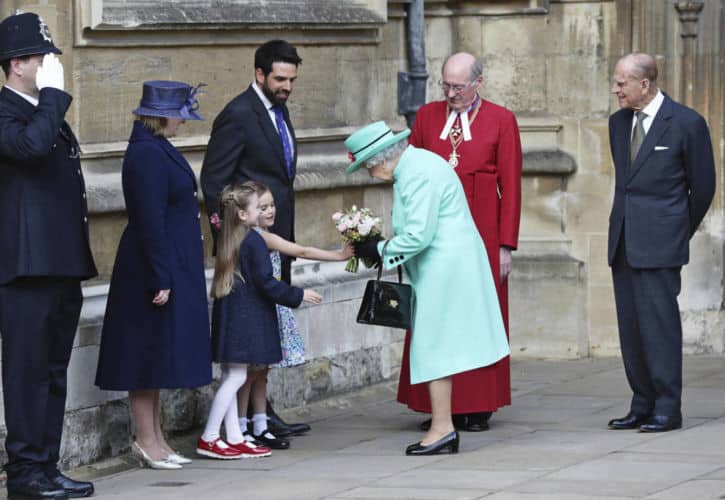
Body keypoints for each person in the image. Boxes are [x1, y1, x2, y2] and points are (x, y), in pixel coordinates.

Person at [346, 121, 510, 455]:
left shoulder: (416, 173)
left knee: (433, 346)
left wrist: (377, 250)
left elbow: (418, 235)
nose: (369, 172)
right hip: (446, 265)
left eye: (367, 165)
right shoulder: (417, 164)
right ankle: (442, 425)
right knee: (436, 346)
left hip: (444, 267)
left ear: (382, 158)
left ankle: (442, 429)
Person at [396, 52, 522, 432]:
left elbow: (511, 187)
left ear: (477, 83)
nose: (450, 93)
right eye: (445, 85)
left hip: (482, 232)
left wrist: (505, 246)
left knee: (477, 316)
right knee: (433, 316)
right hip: (434, 233)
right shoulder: (427, 117)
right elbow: (410, 174)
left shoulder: (502, 120)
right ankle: (437, 410)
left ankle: (478, 403)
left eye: (458, 86)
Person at [0, 12, 97, 499]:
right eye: (43, 58)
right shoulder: (9, 113)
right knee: (26, 375)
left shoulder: (43, 112)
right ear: (17, 64)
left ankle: (46, 466)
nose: (51, 67)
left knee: (53, 373)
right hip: (25, 271)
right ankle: (23, 475)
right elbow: (30, 150)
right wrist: (55, 100)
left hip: (59, 266)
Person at [95, 81, 213, 469]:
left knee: (156, 355)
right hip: (149, 267)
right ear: (162, 114)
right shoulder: (146, 154)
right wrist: (160, 276)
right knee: (144, 357)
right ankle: (146, 441)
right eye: (179, 113)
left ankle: (157, 439)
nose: (182, 121)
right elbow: (149, 221)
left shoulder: (157, 147)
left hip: (166, 263)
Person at [201, 39, 310, 436]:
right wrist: (233, 241)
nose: (287, 87)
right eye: (280, 79)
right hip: (249, 250)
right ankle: (243, 423)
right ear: (260, 74)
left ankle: (263, 416)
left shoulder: (276, 110)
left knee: (271, 330)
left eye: (292, 79)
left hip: (278, 238)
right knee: (252, 334)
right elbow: (214, 183)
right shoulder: (238, 114)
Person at [606, 53, 715, 433]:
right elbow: (627, 183)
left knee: (659, 327)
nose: (616, 89)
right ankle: (642, 403)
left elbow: (703, 188)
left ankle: (668, 408)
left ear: (645, 84)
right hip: (623, 240)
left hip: (661, 243)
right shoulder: (617, 123)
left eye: (622, 83)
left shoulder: (687, 123)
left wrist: (674, 230)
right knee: (631, 327)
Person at [197, 183, 322, 459]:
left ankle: (235, 436)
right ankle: (209, 436)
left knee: (233, 376)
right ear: (243, 214)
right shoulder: (253, 240)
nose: (262, 210)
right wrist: (299, 294)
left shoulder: (234, 236)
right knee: (236, 377)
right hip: (243, 319)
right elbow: (266, 283)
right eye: (257, 207)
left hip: (231, 316)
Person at [235, 182, 353, 450]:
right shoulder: (259, 237)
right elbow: (302, 252)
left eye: (272, 205)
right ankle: (242, 426)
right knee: (252, 372)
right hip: (266, 305)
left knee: (262, 372)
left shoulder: (263, 233)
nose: (269, 211)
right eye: (262, 207)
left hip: (273, 307)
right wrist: (339, 255)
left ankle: (261, 425)